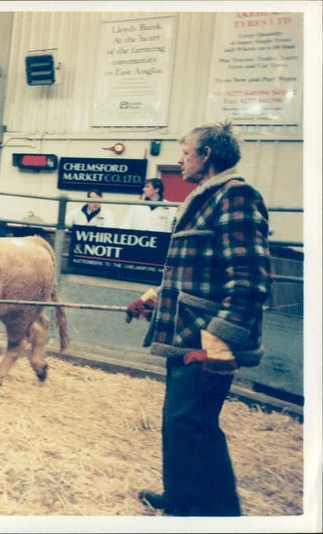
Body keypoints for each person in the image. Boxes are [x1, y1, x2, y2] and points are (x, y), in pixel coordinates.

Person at [125, 122, 272, 517]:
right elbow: (194, 271)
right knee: (179, 421)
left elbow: (250, 278)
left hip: (207, 340)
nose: (180, 159)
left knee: (195, 424)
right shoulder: (204, 197)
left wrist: (218, 345)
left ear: (206, 155)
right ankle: (181, 498)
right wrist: (152, 298)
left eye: (186, 151)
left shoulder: (236, 196)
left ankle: (220, 514)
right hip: (187, 332)